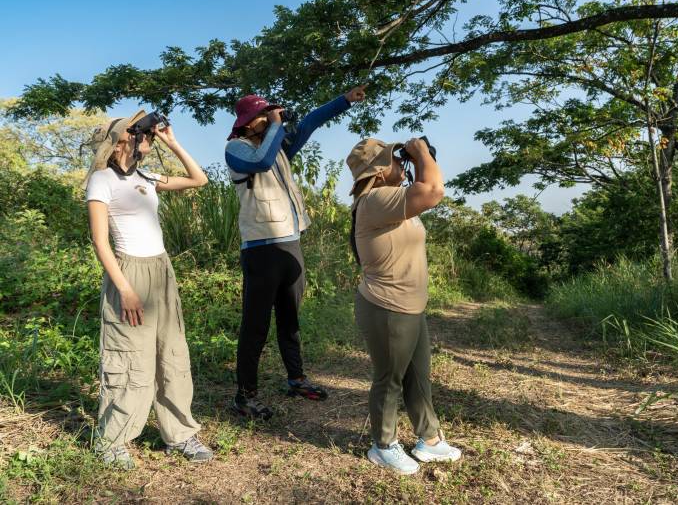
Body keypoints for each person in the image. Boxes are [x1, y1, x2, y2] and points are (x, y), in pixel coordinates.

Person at [225, 85, 366, 419]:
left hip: (291, 244)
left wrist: (343, 99)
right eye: (264, 115)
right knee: (255, 327)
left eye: (272, 114)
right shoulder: (237, 149)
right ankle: (245, 396)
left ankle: (296, 378)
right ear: (247, 122)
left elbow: (309, 124)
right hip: (261, 249)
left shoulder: (278, 148)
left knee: (290, 320)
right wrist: (276, 126)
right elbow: (259, 162)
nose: (271, 118)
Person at [84, 111, 212, 469]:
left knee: (171, 353)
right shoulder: (102, 180)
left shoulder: (146, 176)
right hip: (129, 270)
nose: (146, 135)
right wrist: (124, 289)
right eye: (139, 130)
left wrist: (172, 142)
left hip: (161, 269)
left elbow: (198, 179)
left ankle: (181, 434)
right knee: (130, 357)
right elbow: (100, 242)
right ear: (120, 139)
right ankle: (112, 440)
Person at [346, 137, 462, 475]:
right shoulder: (375, 200)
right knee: (390, 379)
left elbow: (426, 191)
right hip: (387, 306)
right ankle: (383, 446)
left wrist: (416, 158)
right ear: (378, 172)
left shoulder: (393, 199)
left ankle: (429, 439)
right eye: (395, 159)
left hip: (410, 305)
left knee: (418, 378)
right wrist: (422, 152)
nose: (403, 163)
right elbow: (434, 191)